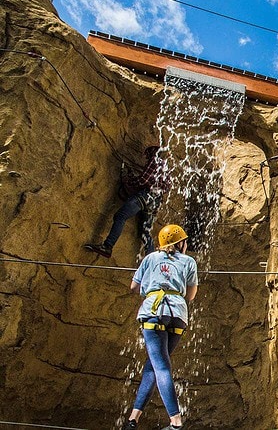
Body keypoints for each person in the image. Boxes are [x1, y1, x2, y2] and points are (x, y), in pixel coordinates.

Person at [123, 224, 198, 430]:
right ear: (180, 243)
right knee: (154, 365)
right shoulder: (189, 261)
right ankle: (133, 419)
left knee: (161, 366)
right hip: (178, 316)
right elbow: (190, 296)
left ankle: (175, 421)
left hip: (153, 313)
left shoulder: (150, 258)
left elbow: (133, 287)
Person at [84, 146, 169, 257]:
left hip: (145, 196)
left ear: (152, 153)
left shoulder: (154, 161)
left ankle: (107, 246)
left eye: (147, 156)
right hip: (155, 201)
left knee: (121, 216)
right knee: (145, 231)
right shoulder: (165, 167)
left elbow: (143, 180)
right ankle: (152, 260)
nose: (147, 159)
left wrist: (128, 180)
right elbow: (167, 187)